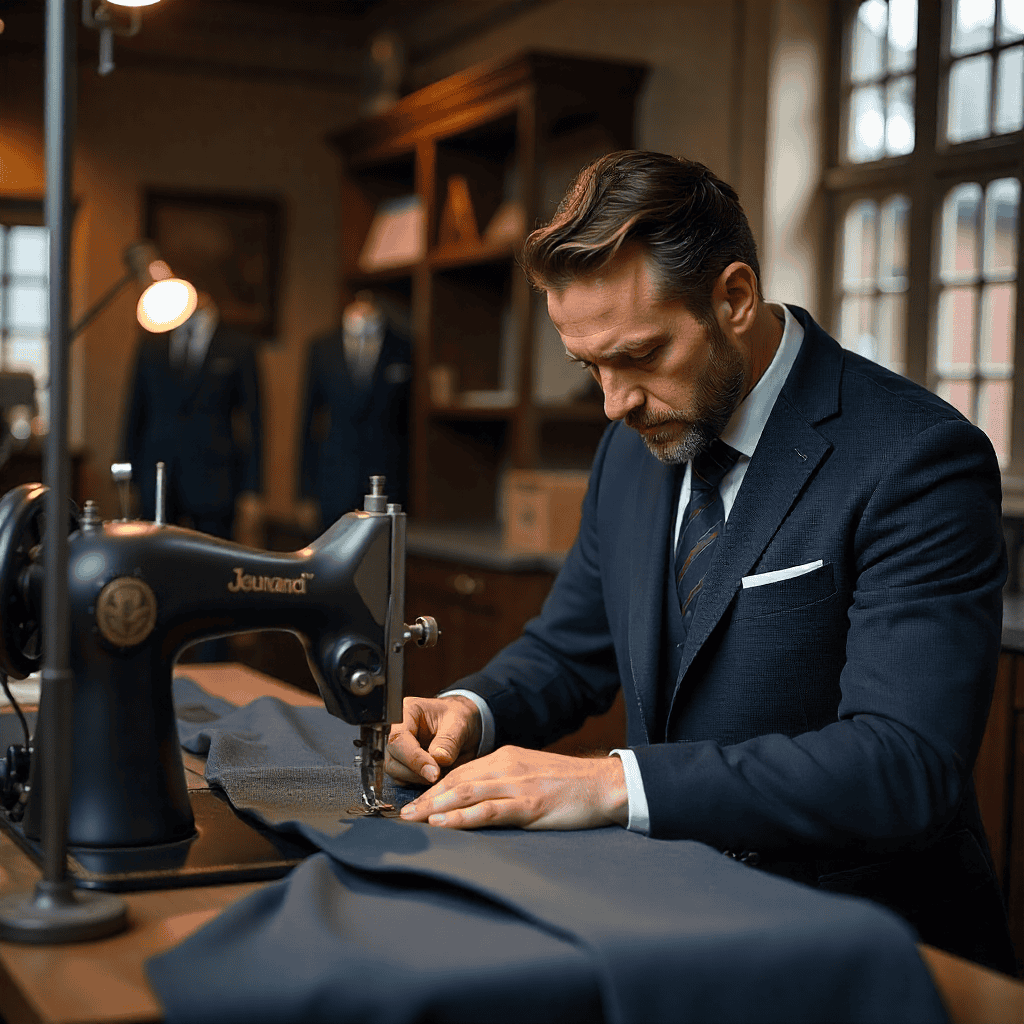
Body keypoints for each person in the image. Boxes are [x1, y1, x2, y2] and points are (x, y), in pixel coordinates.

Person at [386, 151, 1017, 973]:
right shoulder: (628, 446)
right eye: (590, 367)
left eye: (640, 356)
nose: (613, 403)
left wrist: (612, 783)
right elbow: (568, 648)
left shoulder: (919, 457)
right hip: (678, 926)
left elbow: (903, 764)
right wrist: (474, 707)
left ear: (735, 298)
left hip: (869, 952)